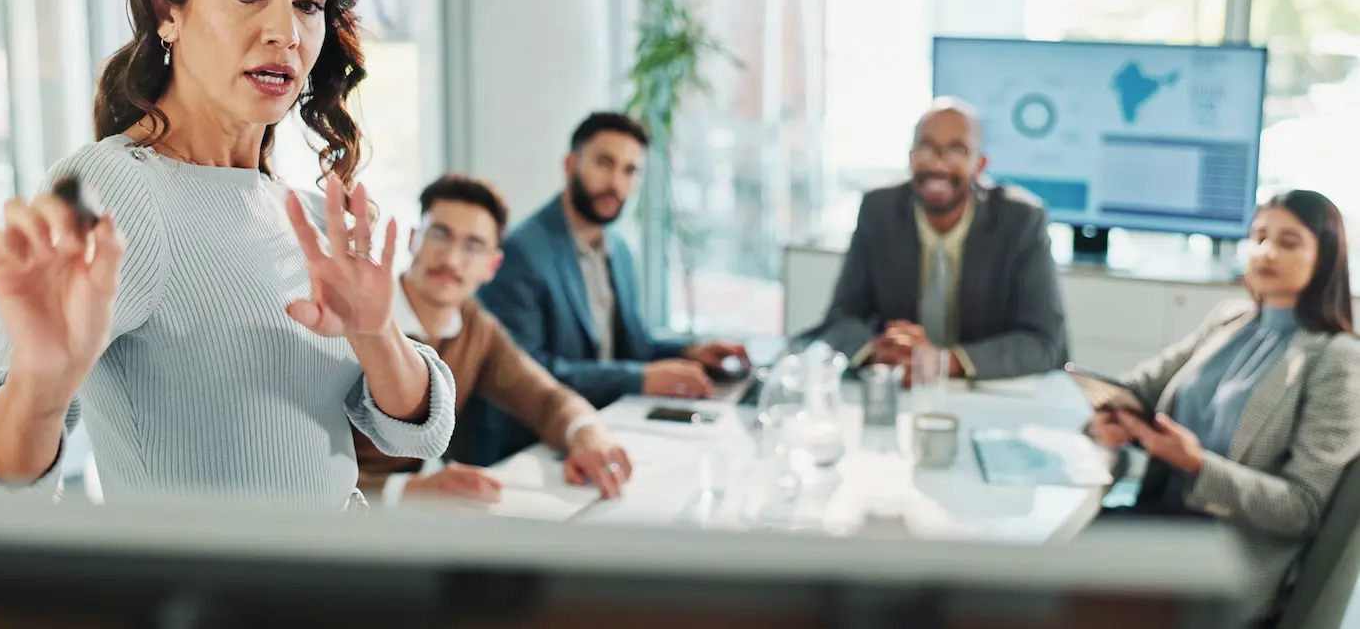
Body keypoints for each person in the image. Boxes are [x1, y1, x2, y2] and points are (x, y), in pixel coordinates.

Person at [0, 0, 456, 510]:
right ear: (167, 9)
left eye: (308, 3)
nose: (286, 32)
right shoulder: (115, 187)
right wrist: (40, 389)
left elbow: (421, 429)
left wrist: (377, 333)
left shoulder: (292, 209)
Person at [1087, 190, 1360, 624]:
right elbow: (1141, 387)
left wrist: (1198, 465)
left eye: (1289, 242)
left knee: (1050, 571)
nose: (1267, 251)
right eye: (1259, 237)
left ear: (1325, 258)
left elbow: (1303, 508)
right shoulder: (1229, 320)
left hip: (1226, 554)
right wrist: (1114, 413)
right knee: (1044, 549)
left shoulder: (1336, 357)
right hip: (1164, 519)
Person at [473, 112, 746, 463]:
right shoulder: (521, 253)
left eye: (630, 171)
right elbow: (527, 371)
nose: (616, 183)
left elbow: (632, 346)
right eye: (605, 163)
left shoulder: (618, 251)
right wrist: (640, 378)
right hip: (532, 446)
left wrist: (690, 352)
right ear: (571, 164)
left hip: (608, 425)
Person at [354, 174, 633, 505]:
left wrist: (587, 433)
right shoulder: (355, 317)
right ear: (414, 238)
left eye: (473, 245)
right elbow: (299, 462)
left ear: (492, 265)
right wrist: (404, 491)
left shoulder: (476, 326)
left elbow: (545, 397)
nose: (452, 259)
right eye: (439, 234)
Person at [810, 98, 1067, 381]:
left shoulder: (1021, 220)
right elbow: (840, 318)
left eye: (956, 150)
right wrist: (878, 350)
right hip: (899, 392)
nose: (938, 163)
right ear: (910, 157)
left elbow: (1044, 341)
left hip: (988, 398)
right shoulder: (878, 210)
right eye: (926, 148)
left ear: (979, 165)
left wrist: (946, 362)